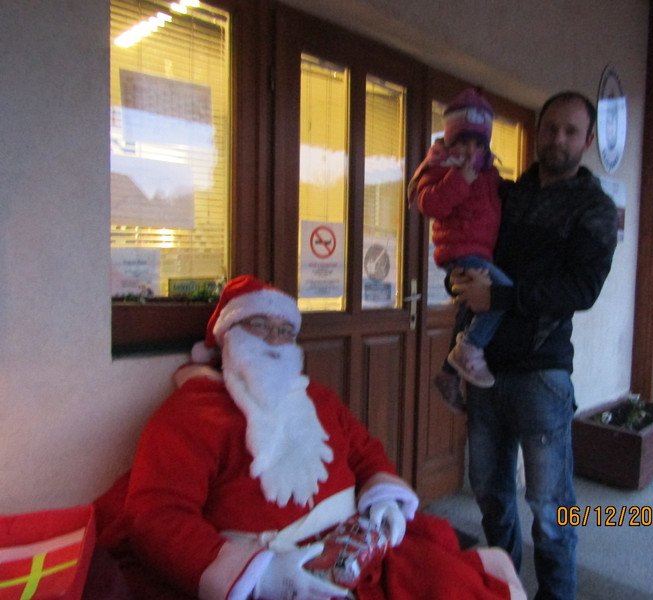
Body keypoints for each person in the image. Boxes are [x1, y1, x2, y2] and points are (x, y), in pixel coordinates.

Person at [95, 274, 526, 600]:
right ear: (227, 337)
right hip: (278, 570)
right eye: (259, 325)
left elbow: (365, 452)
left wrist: (386, 499)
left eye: (285, 330)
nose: (275, 339)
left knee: (456, 584)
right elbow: (157, 515)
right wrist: (261, 575)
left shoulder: (316, 396)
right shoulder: (190, 413)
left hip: (358, 547)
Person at [450, 91, 619, 600]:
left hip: (542, 375)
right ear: (538, 130)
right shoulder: (508, 193)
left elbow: (581, 290)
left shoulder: (595, 208)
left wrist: (499, 296)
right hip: (484, 369)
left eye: (571, 131)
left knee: (551, 508)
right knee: (490, 495)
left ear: (588, 139)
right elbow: (473, 249)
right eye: (550, 128)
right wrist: (458, 279)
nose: (558, 139)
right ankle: (502, 588)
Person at [408, 88, 512, 410]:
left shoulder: (487, 172)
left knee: (474, 308)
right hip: (459, 251)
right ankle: (468, 349)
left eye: (478, 144)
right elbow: (430, 204)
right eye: (463, 142)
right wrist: (459, 179)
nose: (471, 150)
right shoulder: (441, 167)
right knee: (502, 294)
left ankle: (449, 373)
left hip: (480, 253)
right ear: (450, 141)